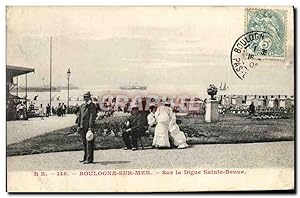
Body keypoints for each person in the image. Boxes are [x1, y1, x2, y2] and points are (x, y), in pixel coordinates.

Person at [77, 91, 97, 164]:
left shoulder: (92, 105)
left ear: (89, 97)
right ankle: (85, 158)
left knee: (89, 143)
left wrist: (90, 127)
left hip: (88, 127)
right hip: (82, 126)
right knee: (84, 143)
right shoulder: (82, 106)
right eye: (84, 96)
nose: (85, 98)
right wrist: (78, 126)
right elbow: (79, 116)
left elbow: (92, 116)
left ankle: (89, 159)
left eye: (87, 96)